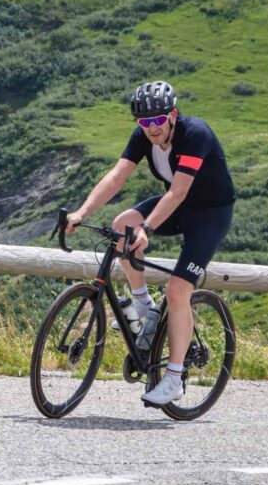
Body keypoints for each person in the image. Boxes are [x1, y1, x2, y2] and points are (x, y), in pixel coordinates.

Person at [65, 81, 235, 405]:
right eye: (144, 123)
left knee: (178, 289)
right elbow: (117, 176)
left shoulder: (196, 134)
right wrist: (82, 212)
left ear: (172, 115)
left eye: (157, 122)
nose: (152, 130)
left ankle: (174, 379)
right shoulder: (144, 136)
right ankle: (144, 305)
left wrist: (147, 228)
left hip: (210, 214)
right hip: (179, 206)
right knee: (120, 227)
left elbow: (178, 191)